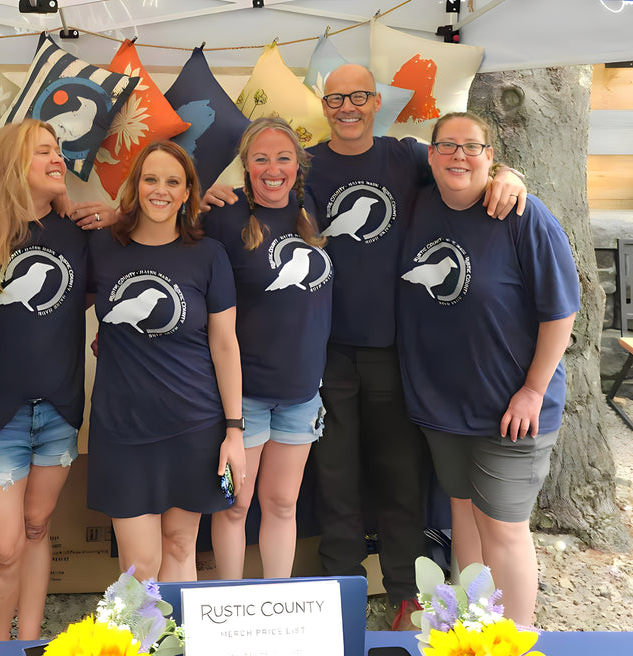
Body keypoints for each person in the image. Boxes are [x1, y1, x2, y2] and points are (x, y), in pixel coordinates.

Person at [204, 63, 527, 628]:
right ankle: (341, 587)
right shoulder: (307, 166)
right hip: (323, 352)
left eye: (359, 96)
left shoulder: (404, 156)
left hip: (395, 349)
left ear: (377, 101)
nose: (347, 106)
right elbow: (260, 197)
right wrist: (213, 195)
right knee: (334, 478)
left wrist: (508, 173)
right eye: (336, 97)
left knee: (400, 473)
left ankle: (404, 590)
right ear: (323, 106)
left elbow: (462, 169)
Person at [396, 112, 578, 626]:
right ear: (430, 155)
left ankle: (514, 637)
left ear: (491, 157)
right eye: (447, 146)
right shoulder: (419, 204)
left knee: (503, 527)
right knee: (464, 519)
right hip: (444, 407)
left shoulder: (523, 215)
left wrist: (533, 391)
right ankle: (474, 630)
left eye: (472, 147)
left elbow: (561, 312)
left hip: (511, 410)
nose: (459, 156)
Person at [0, 119, 92, 641]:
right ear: (12, 165)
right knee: (3, 545)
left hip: (57, 410)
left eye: (59, 151)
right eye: (45, 153)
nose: (59, 160)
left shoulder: (76, 235)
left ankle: (31, 641)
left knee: (36, 529)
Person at [88, 140, 245, 583]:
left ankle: (180, 648)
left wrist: (233, 430)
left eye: (172, 181)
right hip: (124, 429)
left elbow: (225, 345)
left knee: (180, 547)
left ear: (186, 193)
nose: (161, 190)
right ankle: (140, 650)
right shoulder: (103, 248)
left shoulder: (208, 255)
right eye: (150, 179)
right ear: (135, 187)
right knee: (140, 566)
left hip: (193, 425)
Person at [201, 117, 330, 580]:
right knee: (235, 505)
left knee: (282, 504)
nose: (272, 168)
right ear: (245, 166)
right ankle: (230, 609)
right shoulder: (222, 214)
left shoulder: (315, 208)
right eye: (260, 159)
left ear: (299, 165)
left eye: (283, 158)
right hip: (244, 397)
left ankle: (278, 606)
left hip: (301, 394)